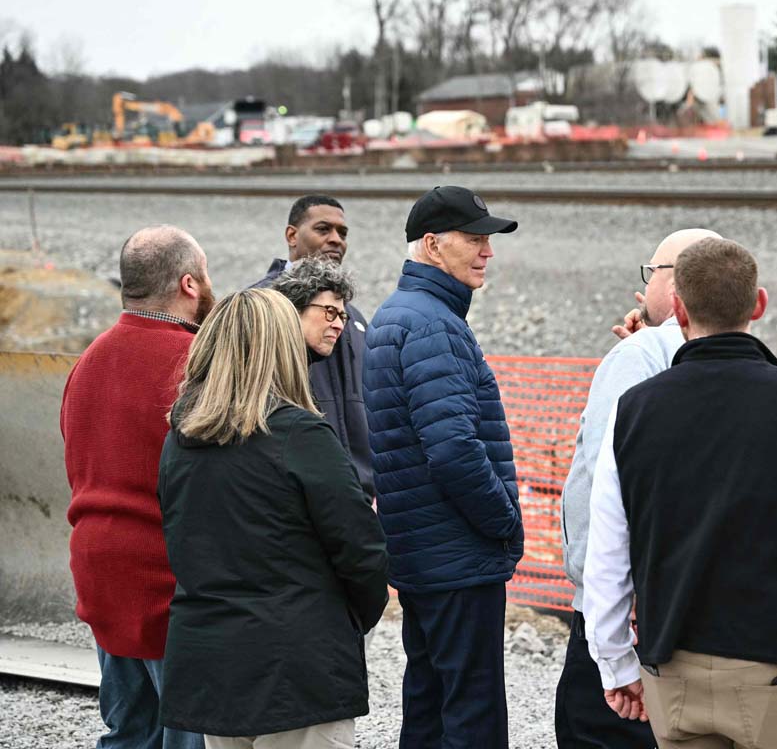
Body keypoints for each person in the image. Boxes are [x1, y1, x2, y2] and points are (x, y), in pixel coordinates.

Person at [583, 238, 777, 749]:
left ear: (680, 311)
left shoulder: (632, 411)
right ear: (758, 304)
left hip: (675, 675)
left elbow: (607, 553)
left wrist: (615, 663)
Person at [157, 288, 389, 749]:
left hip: (212, 659)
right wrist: (347, 620)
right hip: (298, 662)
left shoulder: (180, 438)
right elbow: (361, 550)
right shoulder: (300, 434)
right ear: (282, 348)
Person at [363, 185, 523, 748]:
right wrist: (503, 521)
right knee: (472, 712)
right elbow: (453, 448)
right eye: (475, 239)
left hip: (422, 551)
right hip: (457, 556)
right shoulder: (433, 324)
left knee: (429, 705)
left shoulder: (398, 314)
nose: (488, 251)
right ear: (432, 245)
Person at [555, 228, 720, 749]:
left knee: (596, 730)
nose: (643, 286)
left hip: (628, 606)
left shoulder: (637, 359)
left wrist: (615, 594)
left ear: (674, 285)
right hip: (704, 603)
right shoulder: (742, 359)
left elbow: (615, 484)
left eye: (650, 273)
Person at [60, 225, 213, 749]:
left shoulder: (88, 362)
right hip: (167, 583)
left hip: (100, 573)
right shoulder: (196, 363)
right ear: (189, 283)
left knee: (128, 732)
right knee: (190, 735)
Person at [251, 194, 372, 498]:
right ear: (292, 235)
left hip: (358, 490)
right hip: (290, 488)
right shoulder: (258, 306)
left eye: (342, 233)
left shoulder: (356, 318)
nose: (336, 240)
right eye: (323, 229)